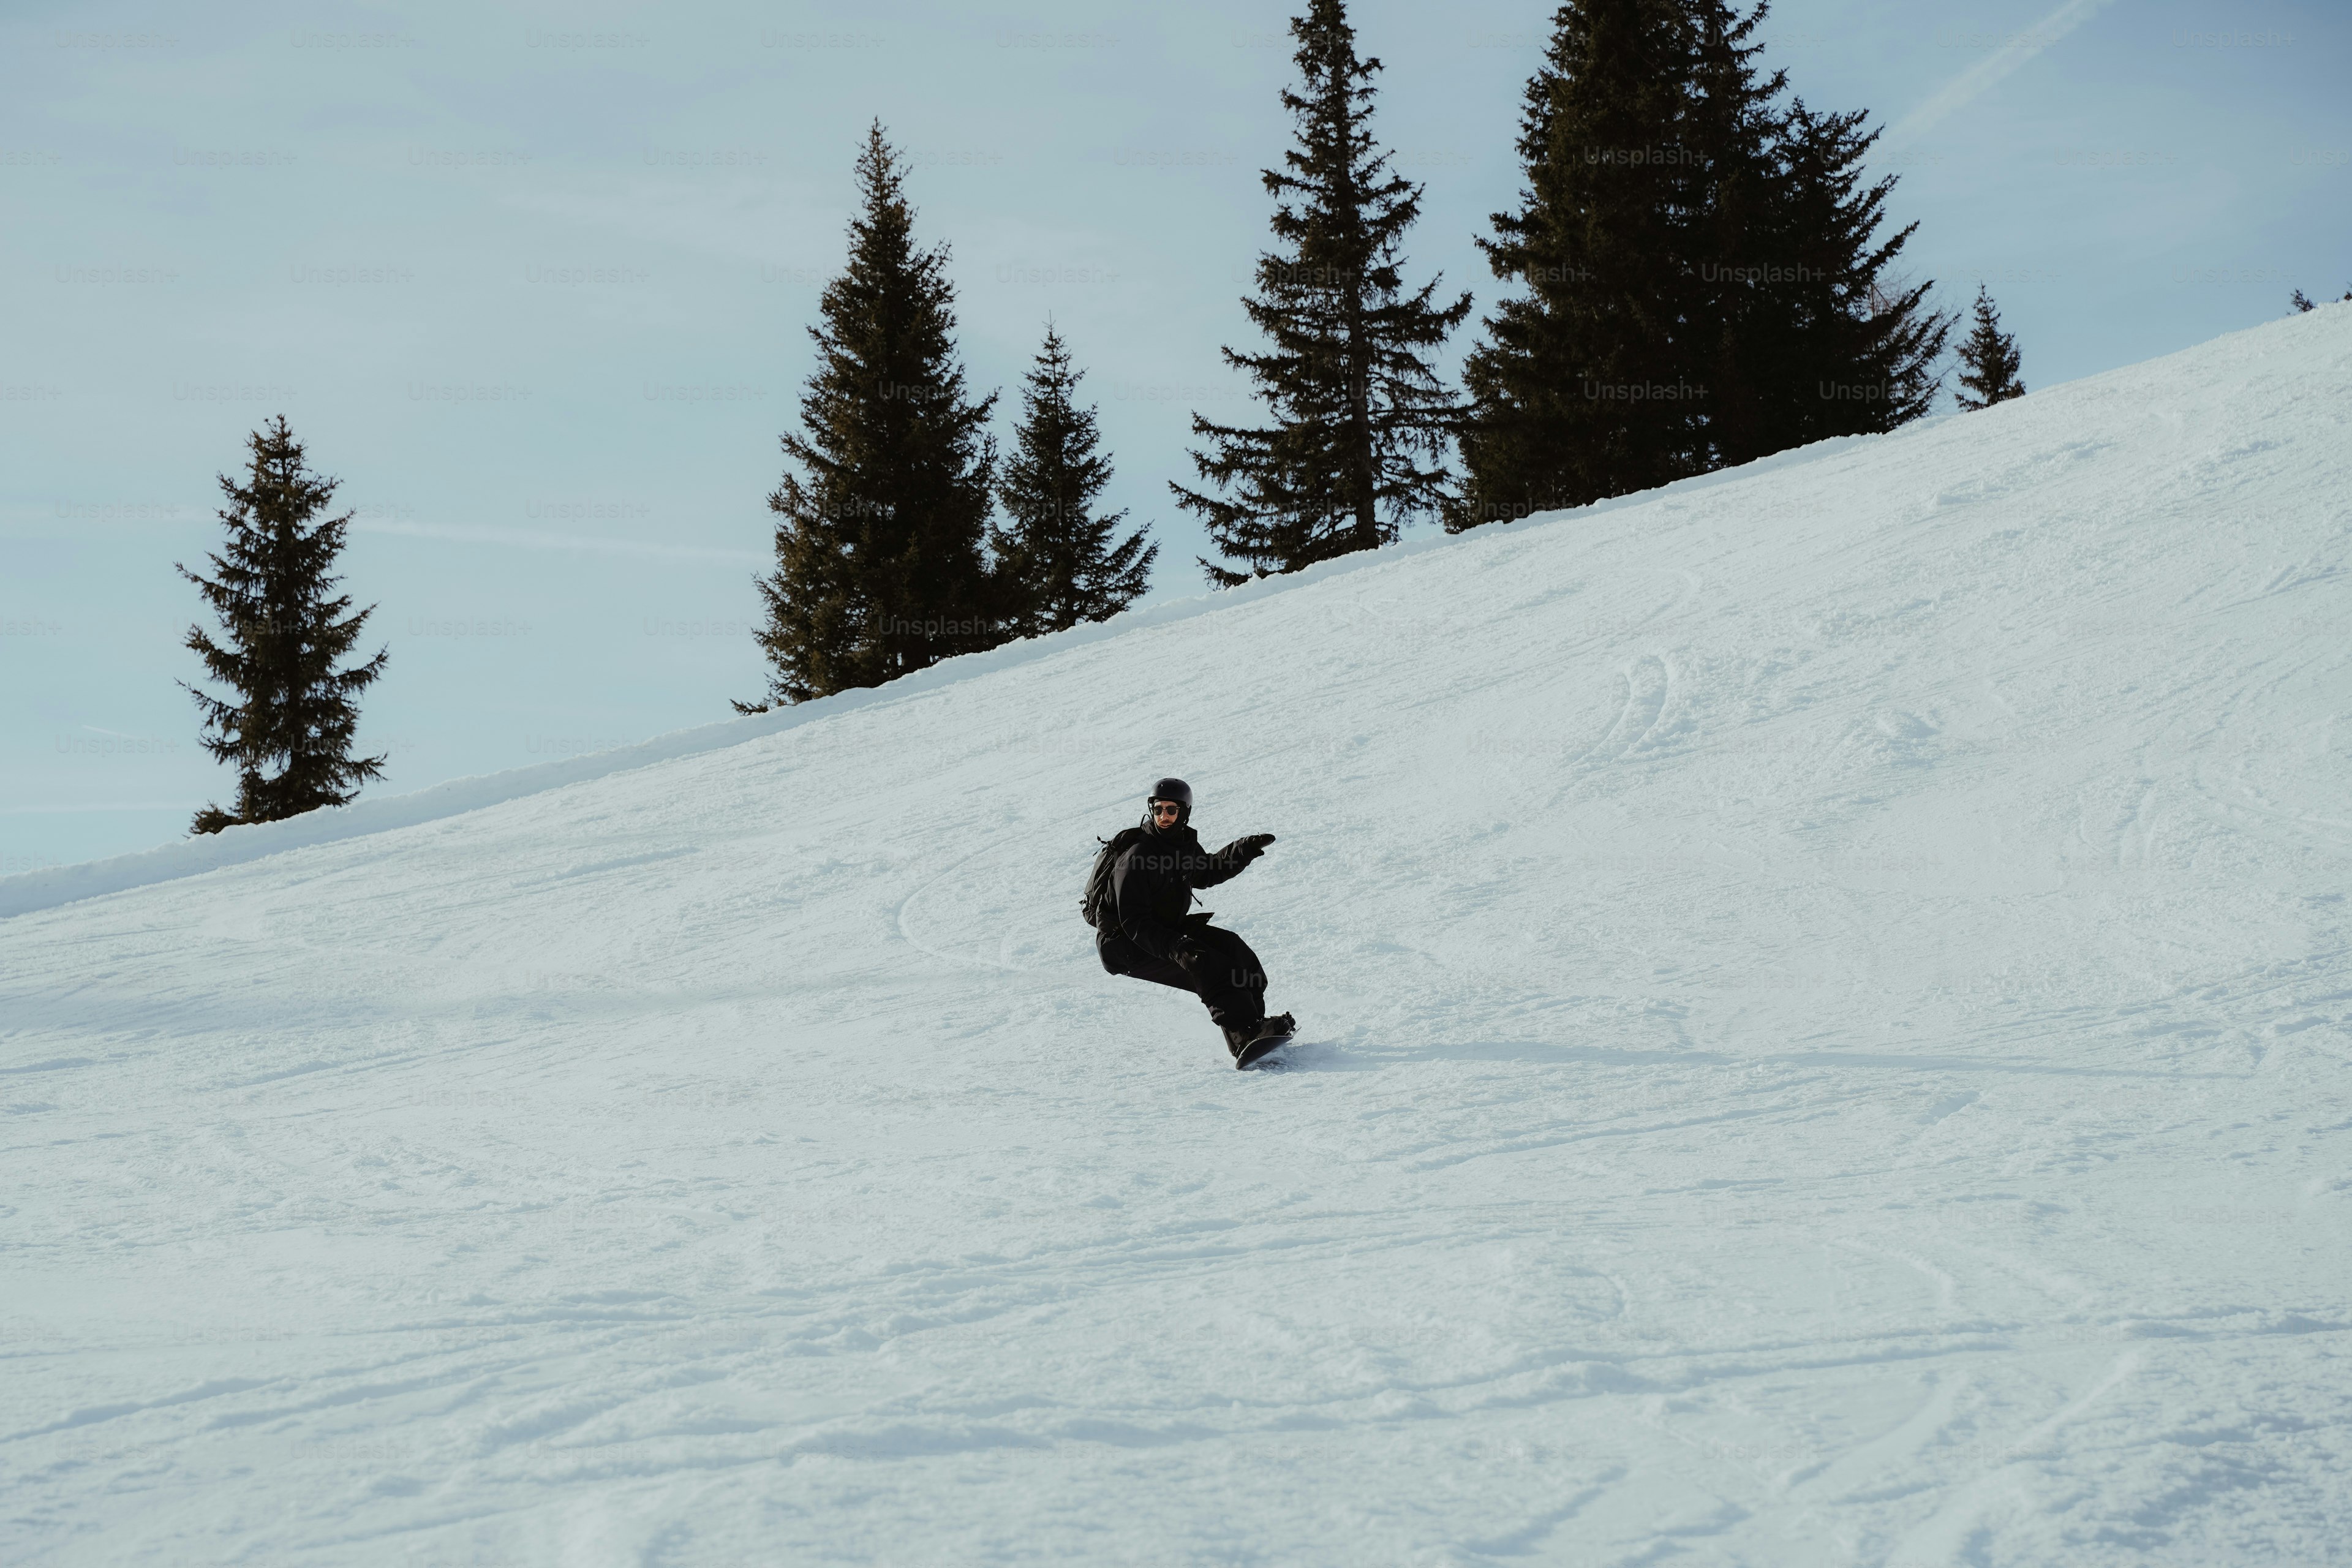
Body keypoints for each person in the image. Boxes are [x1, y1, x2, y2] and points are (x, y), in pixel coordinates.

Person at [1097, 777, 1292, 1060]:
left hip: (1164, 931)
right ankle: (1241, 1035)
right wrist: (1176, 946)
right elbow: (1134, 920)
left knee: (1236, 951)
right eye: (1158, 809)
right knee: (1206, 962)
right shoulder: (1137, 858)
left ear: (1184, 813)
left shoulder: (1181, 845)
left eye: (1171, 810)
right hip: (1127, 945)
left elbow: (1207, 871)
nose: (1164, 816)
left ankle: (1255, 1025)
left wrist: (1244, 849)